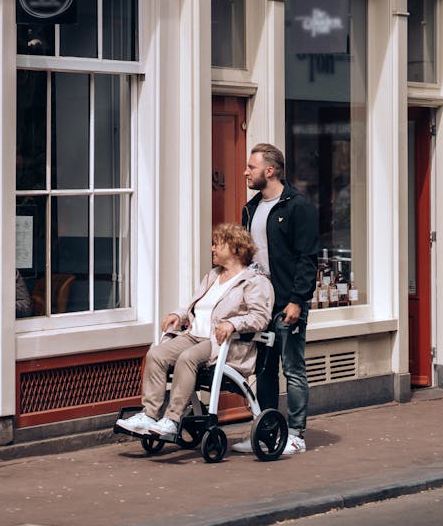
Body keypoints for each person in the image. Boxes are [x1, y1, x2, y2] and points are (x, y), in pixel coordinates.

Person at [116, 224, 273, 437]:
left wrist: (233, 324)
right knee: (156, 354)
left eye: (217, 244)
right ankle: (149, 414)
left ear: (236, 249)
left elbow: (260, 317)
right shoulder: (213, 276)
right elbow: (195, 306)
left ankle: (171, 419)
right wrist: (178, 315)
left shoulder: (255, 282)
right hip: (193, 335)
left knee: (187, 358)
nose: (212, 249)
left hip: (223, 344)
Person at [233, 143, 319, 455]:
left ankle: (296, 434)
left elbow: (308, 259)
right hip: (259, 305)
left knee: (292, 367)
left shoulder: (298, 207)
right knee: (264, 370)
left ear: (269, 171)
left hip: (287, 303)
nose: (245, 172)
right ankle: (266, 431)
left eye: (251, 167)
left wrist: (297, 300)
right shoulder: (251, 209)